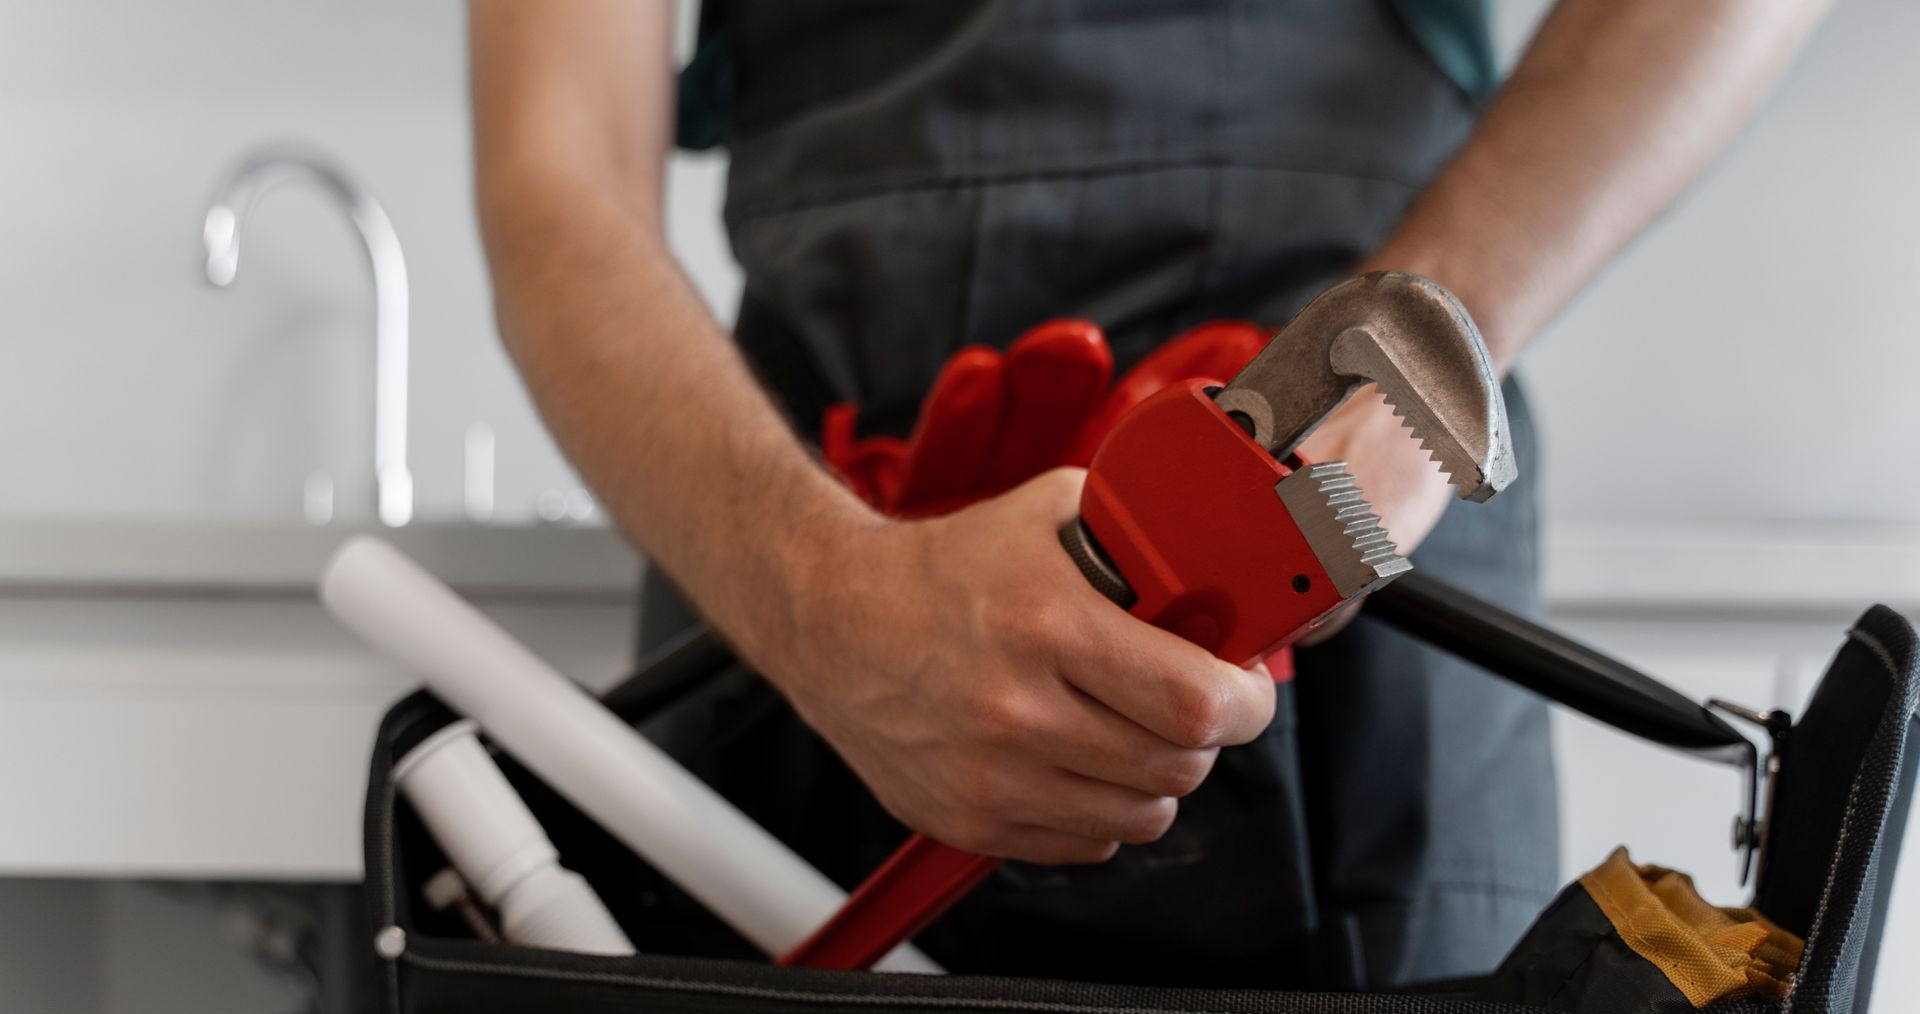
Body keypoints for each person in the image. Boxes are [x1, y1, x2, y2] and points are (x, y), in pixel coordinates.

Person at [467, 0, 1826, 988]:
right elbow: (555, 170)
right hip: (802, 511)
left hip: (1375, 513)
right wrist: (821, 598)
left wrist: (1415, 362)